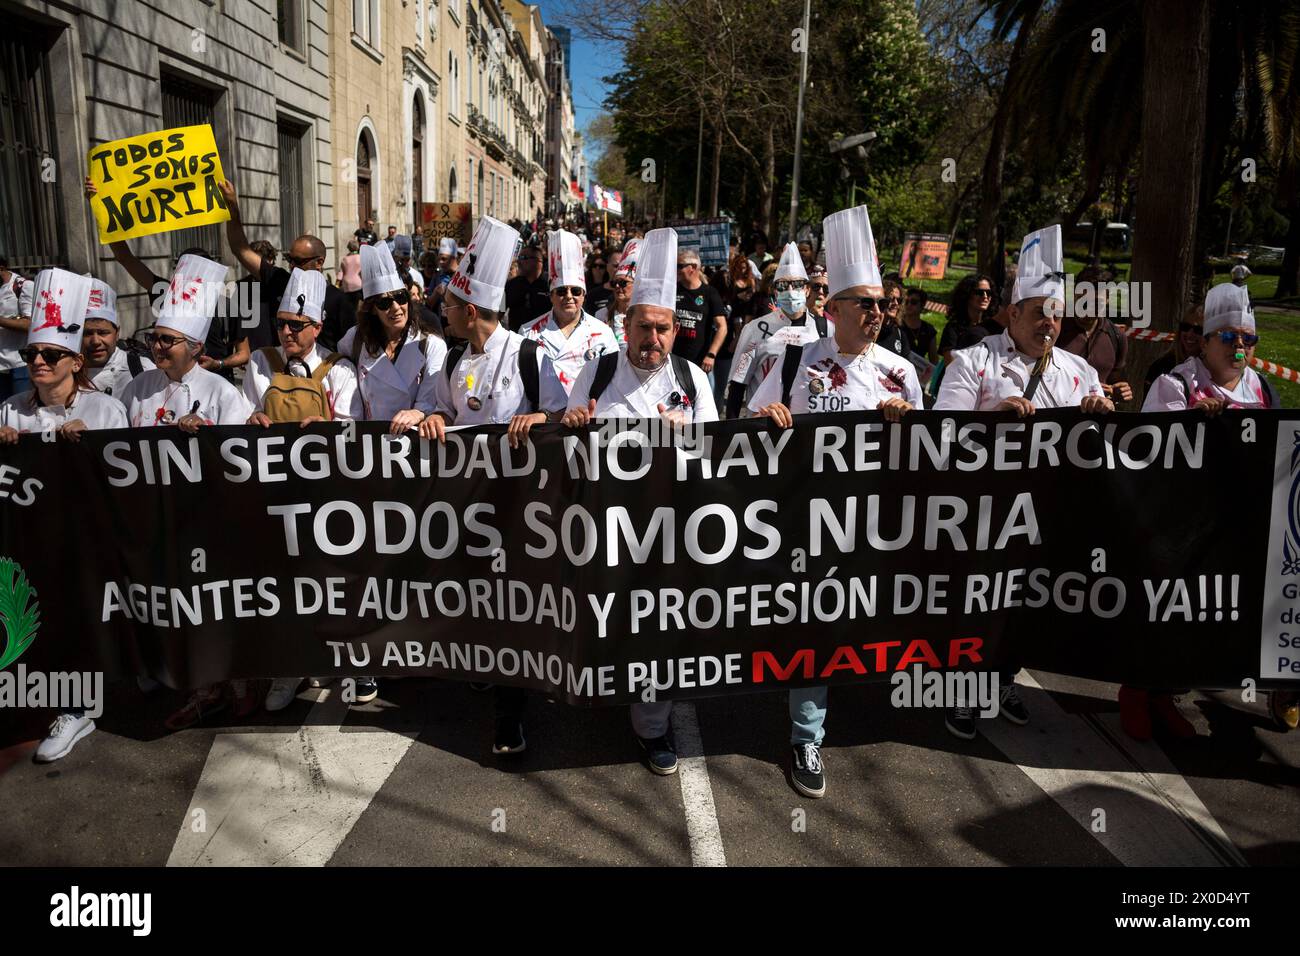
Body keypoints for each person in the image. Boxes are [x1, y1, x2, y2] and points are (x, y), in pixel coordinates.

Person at [748, 205, 921, 800]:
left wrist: (906, 427)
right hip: (808, 524)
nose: (878, 313)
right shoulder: (795, 362)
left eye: (882, 303)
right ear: (833, 310)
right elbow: (746, 432)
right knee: (815, 630)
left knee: (867, 624)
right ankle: (806, 736)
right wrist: (768, 417)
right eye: (865, 303)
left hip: (878, 528)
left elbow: (931, 460)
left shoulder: (903, 373)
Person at [935, 225, 1115, 741]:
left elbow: (1099, 440)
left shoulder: (1078, 370)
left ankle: (1002, 680)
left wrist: (1100, 411)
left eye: (1057, 314)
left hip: (1047, 515)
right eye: (1039, 312)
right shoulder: (975, 361)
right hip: (982, 514)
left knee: (1025, 605)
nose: (1050, 323)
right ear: (1012, 314)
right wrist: (992, 415)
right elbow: (941, 433)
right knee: (976, 606)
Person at [562, 227, 715, 776]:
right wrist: (573, 422)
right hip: (605, 530)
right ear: (624, 326)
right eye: (645, 327)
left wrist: (681, 439)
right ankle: (598, 692)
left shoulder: (694, 383)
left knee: (660, 629)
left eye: (664, 328)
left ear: (677, 330)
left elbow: (715, 459)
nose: (654, 338)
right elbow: (567, 445)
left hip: (669, 533)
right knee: (608, 620)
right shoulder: (597, 372)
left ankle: (652, 728)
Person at [419, 215, 567, 757]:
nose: (444, 314)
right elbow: (439, 409)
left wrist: (540, 423)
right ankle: (483, 668)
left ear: (472, 311)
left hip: (521, 510)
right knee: (476, 599)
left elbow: (563, 418)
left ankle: (511, 714)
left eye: (450, 308)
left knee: (514, 607)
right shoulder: (454, 358)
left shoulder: (529, 356)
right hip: (467, 508)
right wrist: (429, 419)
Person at [116, 254, 256, 729]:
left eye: (167, 340)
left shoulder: (221, 392)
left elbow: (240, 458)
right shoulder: (136, 388)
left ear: (195, 347)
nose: (157, 346)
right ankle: (188, 679)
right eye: (154, 338)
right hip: (152, 519)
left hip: (204, 520)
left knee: (210, 604)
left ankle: (225, 682)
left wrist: (208, 434)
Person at [0, 269, 127, 762]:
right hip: (27, 540)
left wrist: (90, 448)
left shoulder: (105, 412)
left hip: (84, 543)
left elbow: (127, 485)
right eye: (32, 354)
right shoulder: (10, 411)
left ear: (75, 361)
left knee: (76, 618)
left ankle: (77, 709)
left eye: (49, 355)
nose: (37, 362)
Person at [245, 268, 363, 713]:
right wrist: (252, 421)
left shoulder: (340, 370)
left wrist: (332, 427)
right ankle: (288, 667)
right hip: (275, 490)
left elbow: (353, 427)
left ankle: (332, 656)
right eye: (282, 324)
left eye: (297, 325)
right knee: (284, 582)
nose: (287, 332)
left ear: (316, 327)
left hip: (327, 493)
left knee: (330, 580)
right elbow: (247, 412)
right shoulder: (261, 362)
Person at [217, 179, 350, 351]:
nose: (292, 266)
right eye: (289, 259)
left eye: (299, 261)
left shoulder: (338, 300)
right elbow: (241, 249)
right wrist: (232, 206)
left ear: (319, 263)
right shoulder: (280, 281)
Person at [726, 241, 830, 420]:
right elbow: (737, 386)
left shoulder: (826, 329)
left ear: (806, 290)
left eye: (796, 285)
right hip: (763, 424)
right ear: (775, 291)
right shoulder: (754, 330)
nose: (790, 290)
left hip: (807, 427)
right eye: (782, 286)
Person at [1142, 283, 1277, 412]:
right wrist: (1190, 420)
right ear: (1204, 344)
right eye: (1228, 336)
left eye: (1248, 338)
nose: (1239, 343)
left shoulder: (1262, 386)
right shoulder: (1174, 386)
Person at [521, 230, 617, 394]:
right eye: (561, 291)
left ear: (584, 295)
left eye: (576, 291)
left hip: (588, 416)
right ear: (551, 296)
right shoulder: (529, 332)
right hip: (544, 417)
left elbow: (613, 382)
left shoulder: (603, 333)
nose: (569, 296)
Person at [1058, 264, 1133, 403]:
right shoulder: (1056, 327)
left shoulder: (1116, 336)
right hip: (1058, 414)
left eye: (1097, 303)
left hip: (1096, 420)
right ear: (1074, 294)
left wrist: (1118, 393)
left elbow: (1115, 383)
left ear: (1108, 300)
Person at [82, 277, 155, 397]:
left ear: (117, 334)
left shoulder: (142, 369)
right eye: (87, 333)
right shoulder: (67, 375)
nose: (95, 341)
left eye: (103, 333)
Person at [672, 247, 728, 383]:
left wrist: (711, 354)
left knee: (706, 403)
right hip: (674, 360)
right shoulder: (673, 289)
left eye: (680, 266)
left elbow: (722, 327)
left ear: (693, 267)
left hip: (701, 363)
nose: (677, 270)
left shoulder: (709, 293)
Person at [939, 273, 1000, 365]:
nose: (985, 296)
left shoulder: (995, 328)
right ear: (967, 295)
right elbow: (950, 364)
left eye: (989, 293)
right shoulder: (953, 328)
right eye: (979, 293)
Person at [1144, 306, 1204, 390]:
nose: (1190, 334)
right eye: (1185, 327)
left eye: (1198, 330)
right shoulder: (1161, 366)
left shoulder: (1213, 370)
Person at [0, 256, 34, 401]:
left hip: (19, 365)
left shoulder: (22, 286)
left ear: (1, 268)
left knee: (22, 411)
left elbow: (30, 324)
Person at [595, 238, 639, 350]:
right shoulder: (601, 315)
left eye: (623, 283)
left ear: (636, 284)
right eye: (615, 283)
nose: (618, 287)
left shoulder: (643, 316)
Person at [504, 242, 551, 330]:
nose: (518, 261)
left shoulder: (552, 284)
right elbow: (500, 311)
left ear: (538, 261)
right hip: (516, 339)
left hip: (544, 339)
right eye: (519, 257)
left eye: (523, 258)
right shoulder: (510, 285)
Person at [337, 240, 364, 318]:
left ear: (349, 248)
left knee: (349, 307)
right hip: (358, 284)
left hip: (347, 285)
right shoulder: (360, 257)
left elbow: (341, 273)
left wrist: (337, 284)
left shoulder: (345, 259)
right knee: (358, 305)